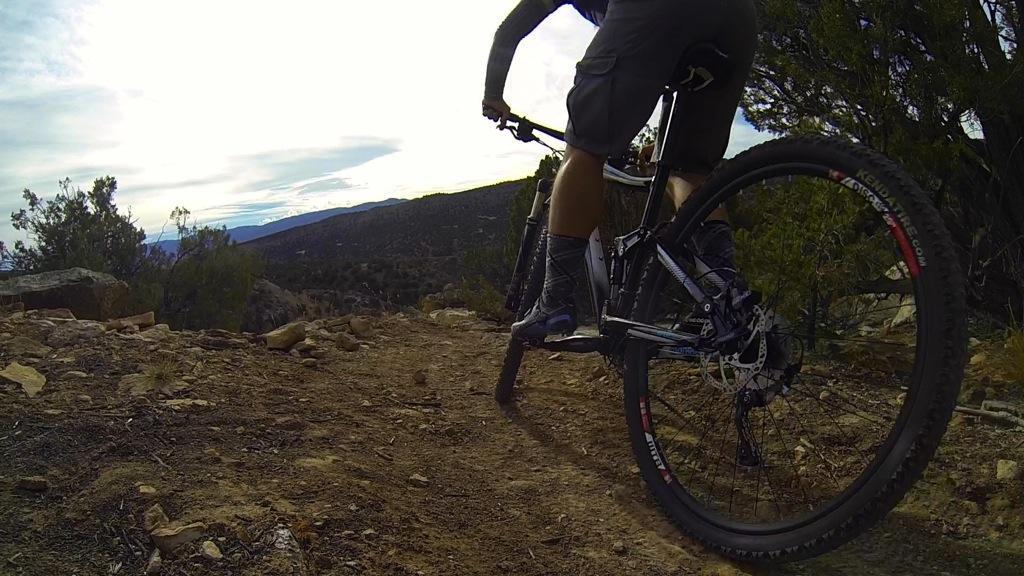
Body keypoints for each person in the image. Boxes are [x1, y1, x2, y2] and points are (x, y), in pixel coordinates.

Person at [483, 0, 758, 340]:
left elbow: (510, 29)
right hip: (736, 17)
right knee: (688, 171)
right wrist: (662, 143)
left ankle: (554, 302)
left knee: (584, 148)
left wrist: (493, 94)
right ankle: (725, 297)